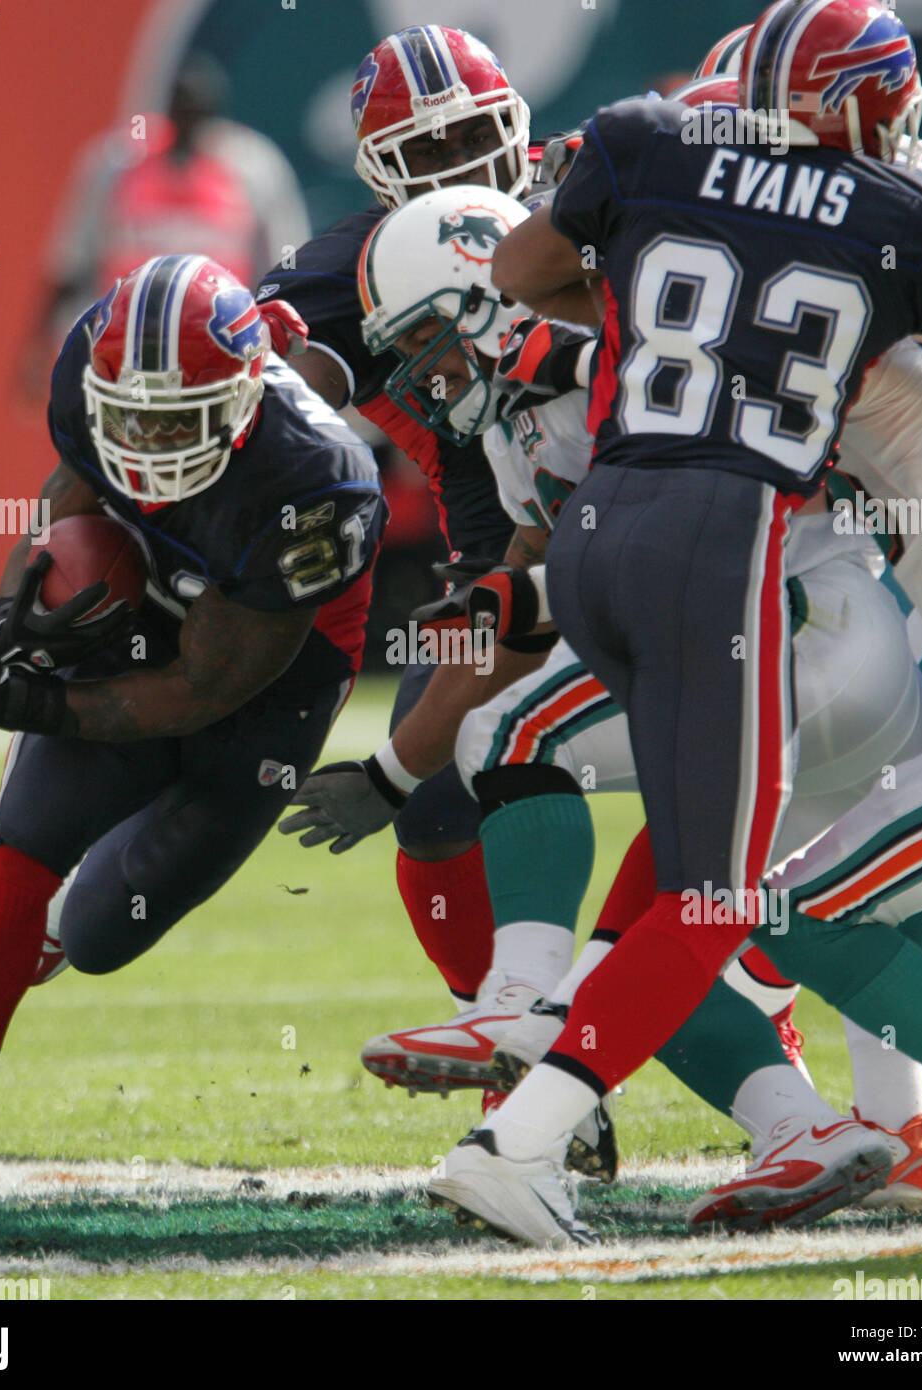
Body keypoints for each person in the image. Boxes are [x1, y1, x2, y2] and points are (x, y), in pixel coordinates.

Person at [427, 0, 922, 1246]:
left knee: (768, 885)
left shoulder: (658, 146)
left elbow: (530, 275)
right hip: (774, 576)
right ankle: (543, 1111)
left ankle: (532, 1037)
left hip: (647, 545)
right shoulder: (909, 217)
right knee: (755, 893)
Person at [0, 255, 385, 1241]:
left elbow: (204, 686)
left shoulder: (316, 481)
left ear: (244, 396)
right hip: (147, 587)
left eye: (177, 417)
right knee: (25, 839)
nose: (150, 439)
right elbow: (66, 502)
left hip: (270, 672)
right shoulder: (86, 379)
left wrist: (35, 705)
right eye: (134, 415)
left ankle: (68, 928)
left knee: (111, 928)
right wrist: (12, 627)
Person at [261, 25, 563, 1037]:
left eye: (472, 137)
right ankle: (506, 1032)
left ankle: (546, 1038)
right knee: (440, 806)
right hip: (509, 555)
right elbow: (266, 394)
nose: (457, 171)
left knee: (763, 823)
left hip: (650, 534)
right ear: (383, 176)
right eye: (424, 155)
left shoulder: (591, 201)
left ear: (515, 129)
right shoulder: (358, 267)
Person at [21, 55, 310, 399]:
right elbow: (69, 267)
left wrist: (287, 354)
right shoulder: (116, 164)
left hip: (222, 351)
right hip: (121, 352)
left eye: (197, 116)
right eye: (181, 114)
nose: (188, 127)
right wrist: (37, 349)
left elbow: (286, 271)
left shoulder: (254, 168)